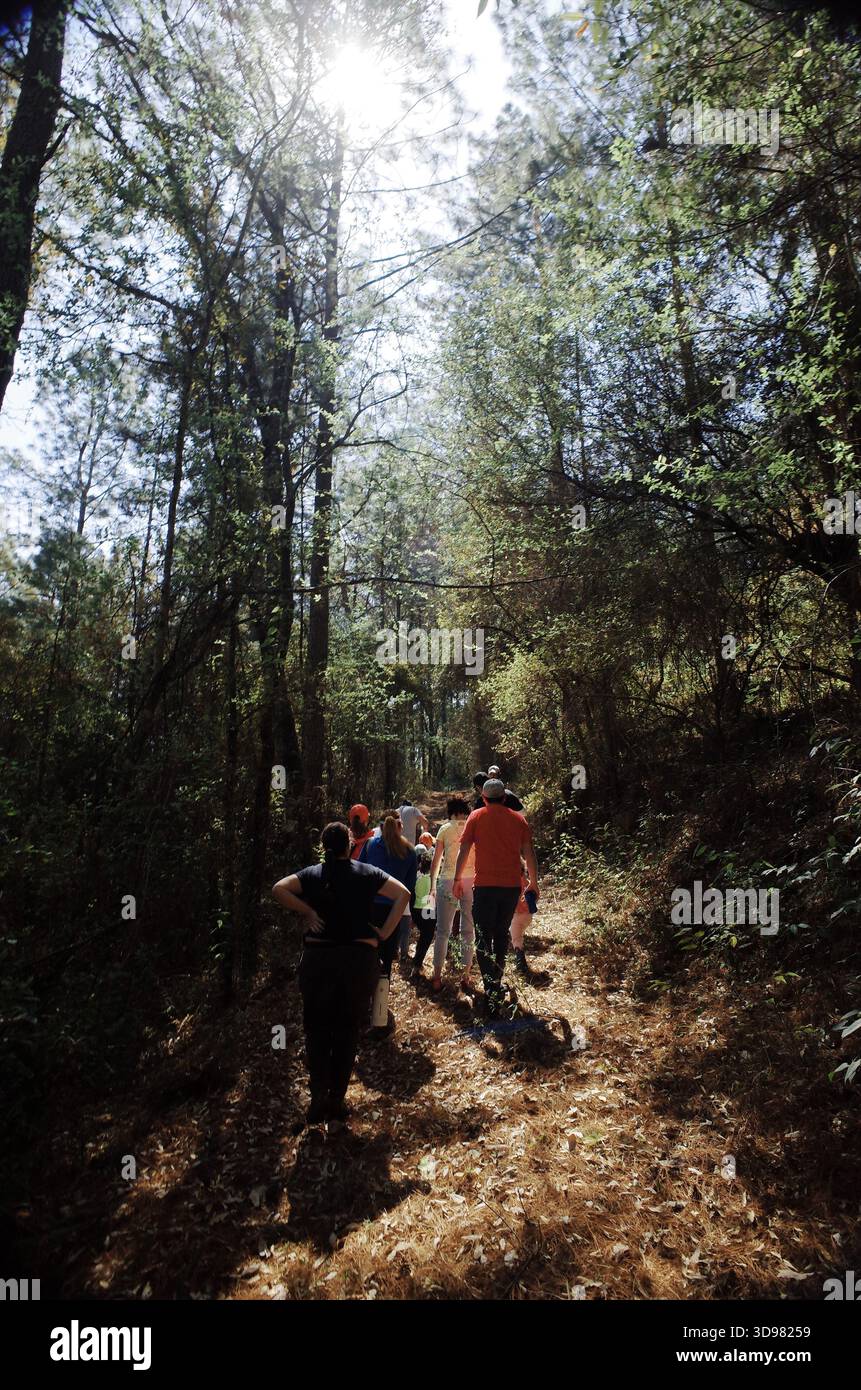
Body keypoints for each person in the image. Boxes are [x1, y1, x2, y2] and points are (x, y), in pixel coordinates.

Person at [272, 822, 410, 1125]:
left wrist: (306, 911)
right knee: (348, 1030)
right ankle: (336, 1100)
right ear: (350, 846)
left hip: (318, 959)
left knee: (317, 1028)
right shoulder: (366, 873)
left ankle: (319, 1094)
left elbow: (278, 889)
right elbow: (403, 894)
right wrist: (385, 933)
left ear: (325, 847)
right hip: (358, 961)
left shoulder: (313, 874)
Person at [453, 779, 539, 1018]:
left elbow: (464, 849)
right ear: (503, 798)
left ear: (483, 798)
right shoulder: (518, 820)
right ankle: (495, 982)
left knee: (483, 936)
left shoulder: (476, 816)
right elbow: (529, 853)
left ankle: (491, 987)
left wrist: (457, 878)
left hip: (485, 887)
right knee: (501, 933)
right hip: (511, 888)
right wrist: (534, 882)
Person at [360, 809, 418, 1027]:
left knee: (366, 955)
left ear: (381, 826)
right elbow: (410, 887)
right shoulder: (409, 851)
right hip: (394, 911)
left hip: (370, 909)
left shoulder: (370, 845)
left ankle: (363, 1006)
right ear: (400, 826)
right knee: (386, 958)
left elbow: (359, 873)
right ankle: (379, 1012)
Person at [429, 796, 475, 993]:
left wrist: (432, 884)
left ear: (451, 812)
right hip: (470, 879)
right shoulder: (473, 826)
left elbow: (436, 860)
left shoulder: (445, 829)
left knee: (442, 931)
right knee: (468, 930)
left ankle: (437, 977)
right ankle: (465, 976)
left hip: (447, 880)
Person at [410, 843, 437, 979]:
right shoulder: (431, 879)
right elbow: (431, 900)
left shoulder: (416, 876)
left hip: (416, 910)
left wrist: (412, 916)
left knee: (424, 937)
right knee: (427, 936)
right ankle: (417, 964)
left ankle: (417, 963)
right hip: (427, 910)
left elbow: (412, 896)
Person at [510, 858, 533, 977]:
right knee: (519, 936)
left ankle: (520, 962)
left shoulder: (511, 883)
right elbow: (535, 898)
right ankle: (520, 961)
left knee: (516, 939)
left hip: (516, 915)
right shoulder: (528, 882)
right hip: (528, 916)